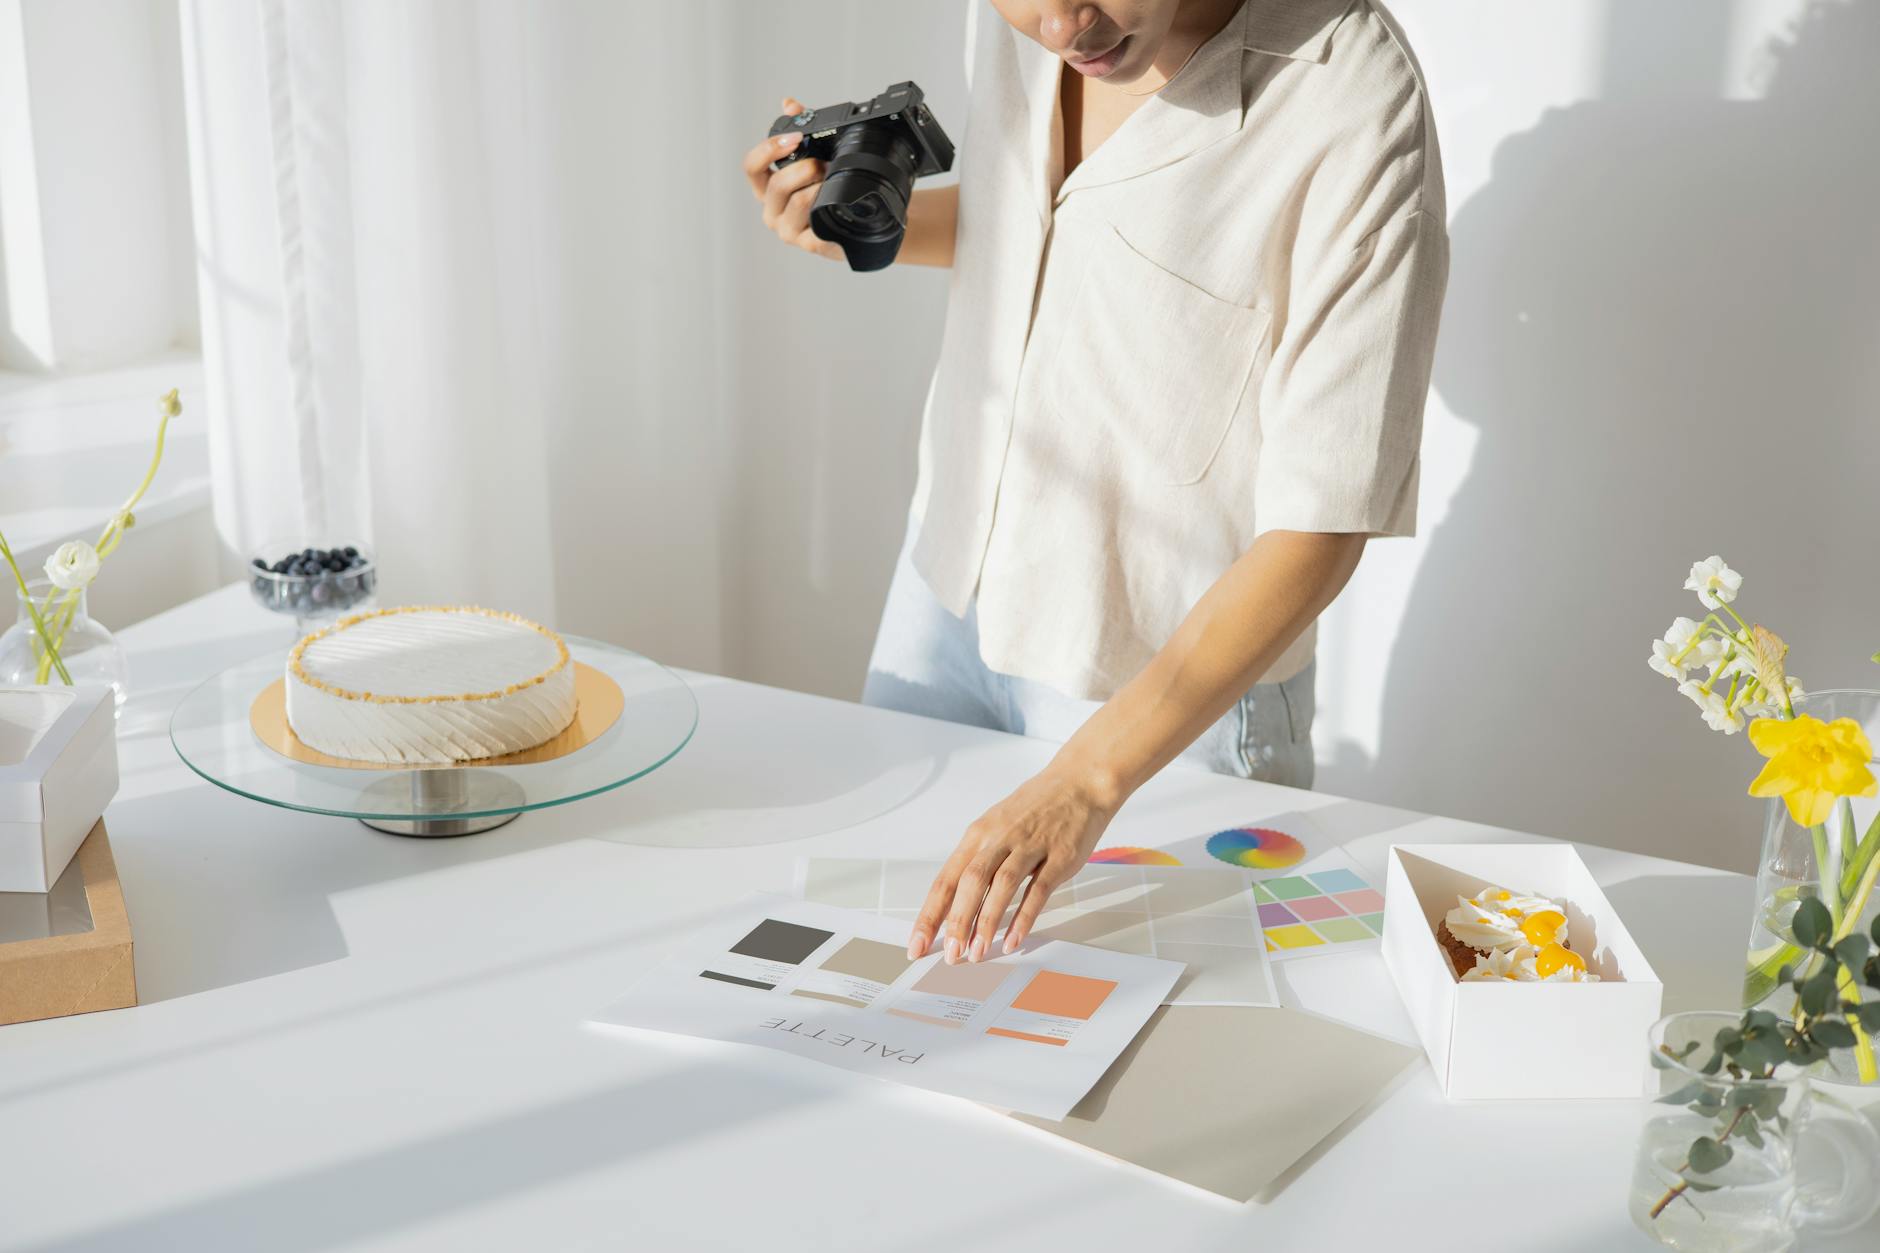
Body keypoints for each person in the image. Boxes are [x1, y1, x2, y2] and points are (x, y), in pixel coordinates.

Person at [742, 0, 1446, 967]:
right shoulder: (1029, 24)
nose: (1067, 27)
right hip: (947, 594)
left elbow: (1323, 524)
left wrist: (1087, 779)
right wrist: (867, 225)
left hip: (1156, 686)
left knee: (1156, 1067)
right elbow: (1046, 232)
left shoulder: (1350, 98)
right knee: (877, 989)